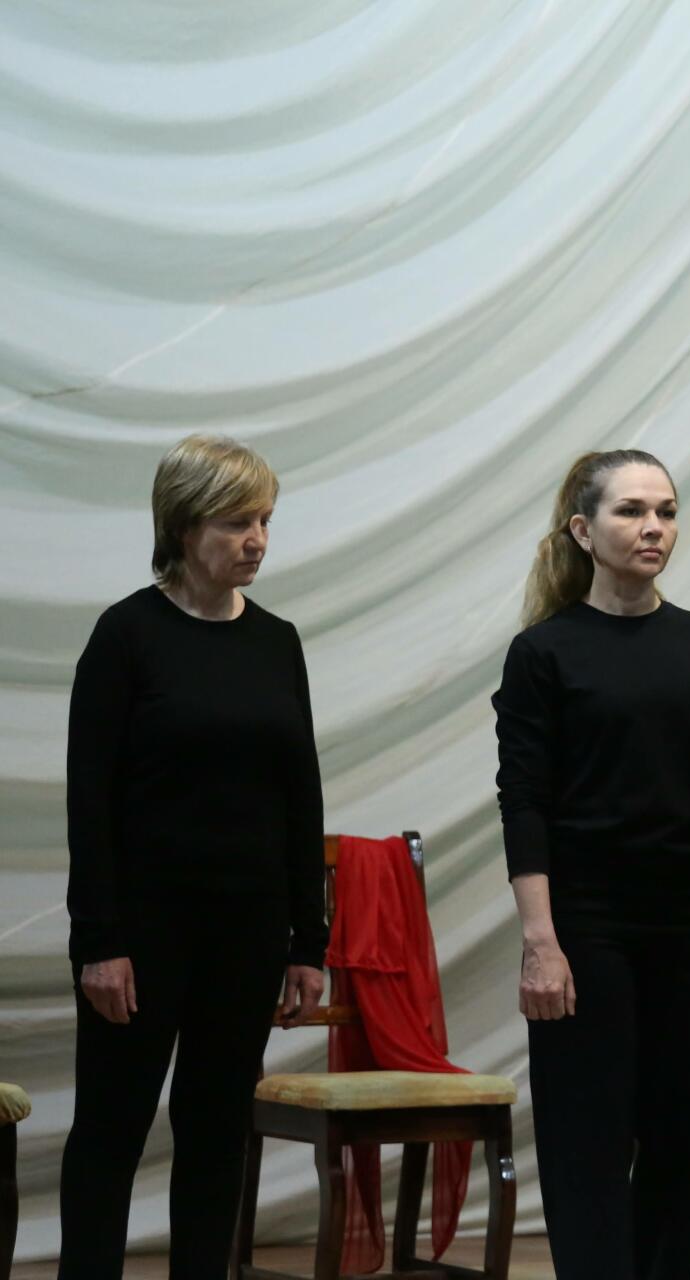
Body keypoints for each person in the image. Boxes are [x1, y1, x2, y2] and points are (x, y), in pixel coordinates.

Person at [493, 448, 690, 1280]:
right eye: (631, 511)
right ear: (583, 531)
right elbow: (525, 802)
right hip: (590, 924)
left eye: (665, 510)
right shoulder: (545, 652)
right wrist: (540, 940)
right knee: (587, 1138)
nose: (653, 526)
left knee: (689, 1132)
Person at [60, 434, 328, 1278]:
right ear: (183, 526)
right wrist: (99, 940)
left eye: (265, 521)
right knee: (112, 1129)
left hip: (247, 930)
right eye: (236, 522)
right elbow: (89, 800)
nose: (257, 540)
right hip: (141, 933)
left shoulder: (277, 640)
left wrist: (308, 942)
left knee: (216, 1130)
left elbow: (301, 796)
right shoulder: (127, 635)